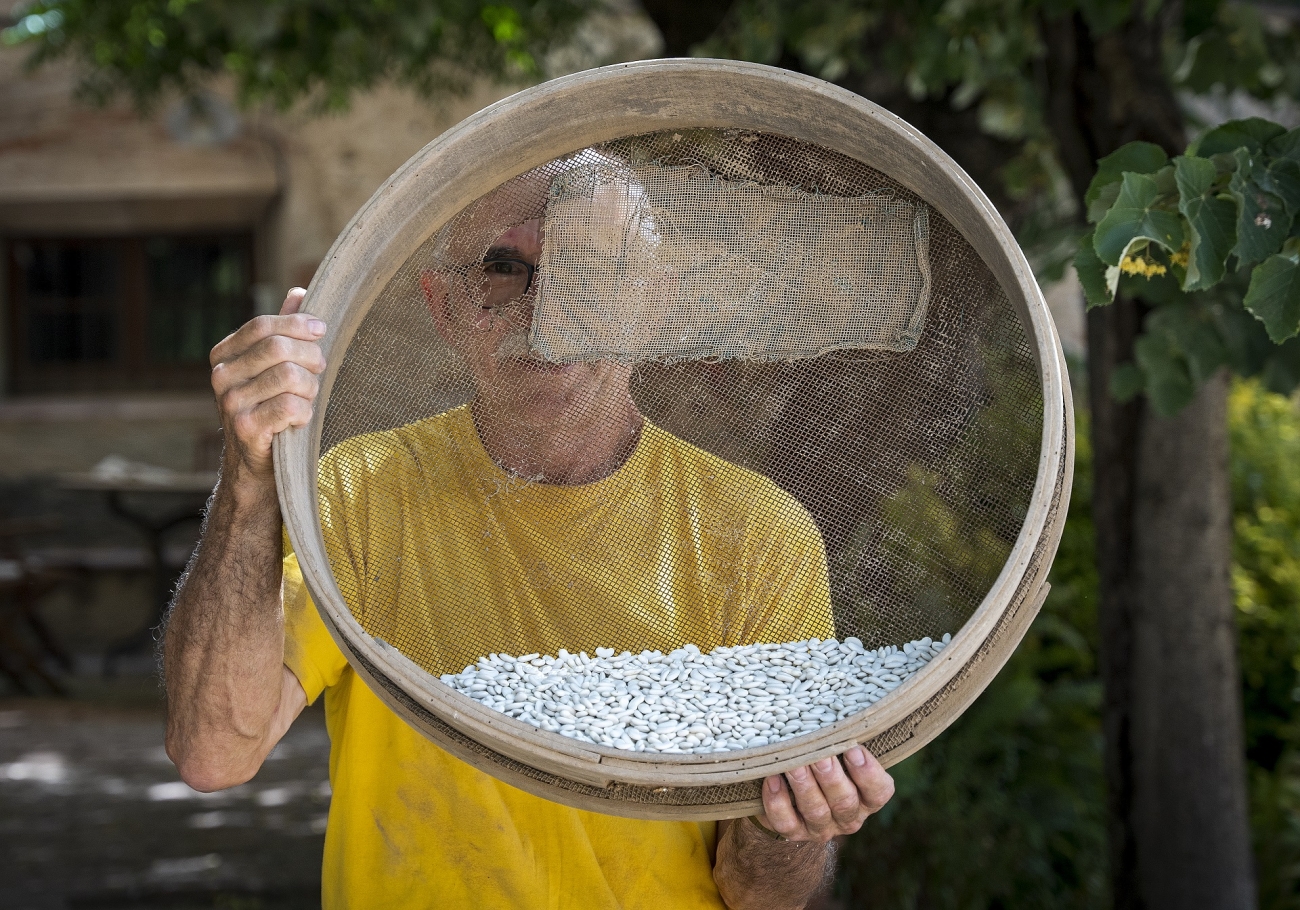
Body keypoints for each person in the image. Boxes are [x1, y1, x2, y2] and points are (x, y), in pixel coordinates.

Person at [163, 169, 896, 910]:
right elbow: (213, 750)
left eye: (592, 271)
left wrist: (790, 829)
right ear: (444, 306)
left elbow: (760, 897)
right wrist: (248, 479)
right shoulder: (359, 492)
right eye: (504, 269)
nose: (549, 311)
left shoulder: (756, 535)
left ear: (654, 304)